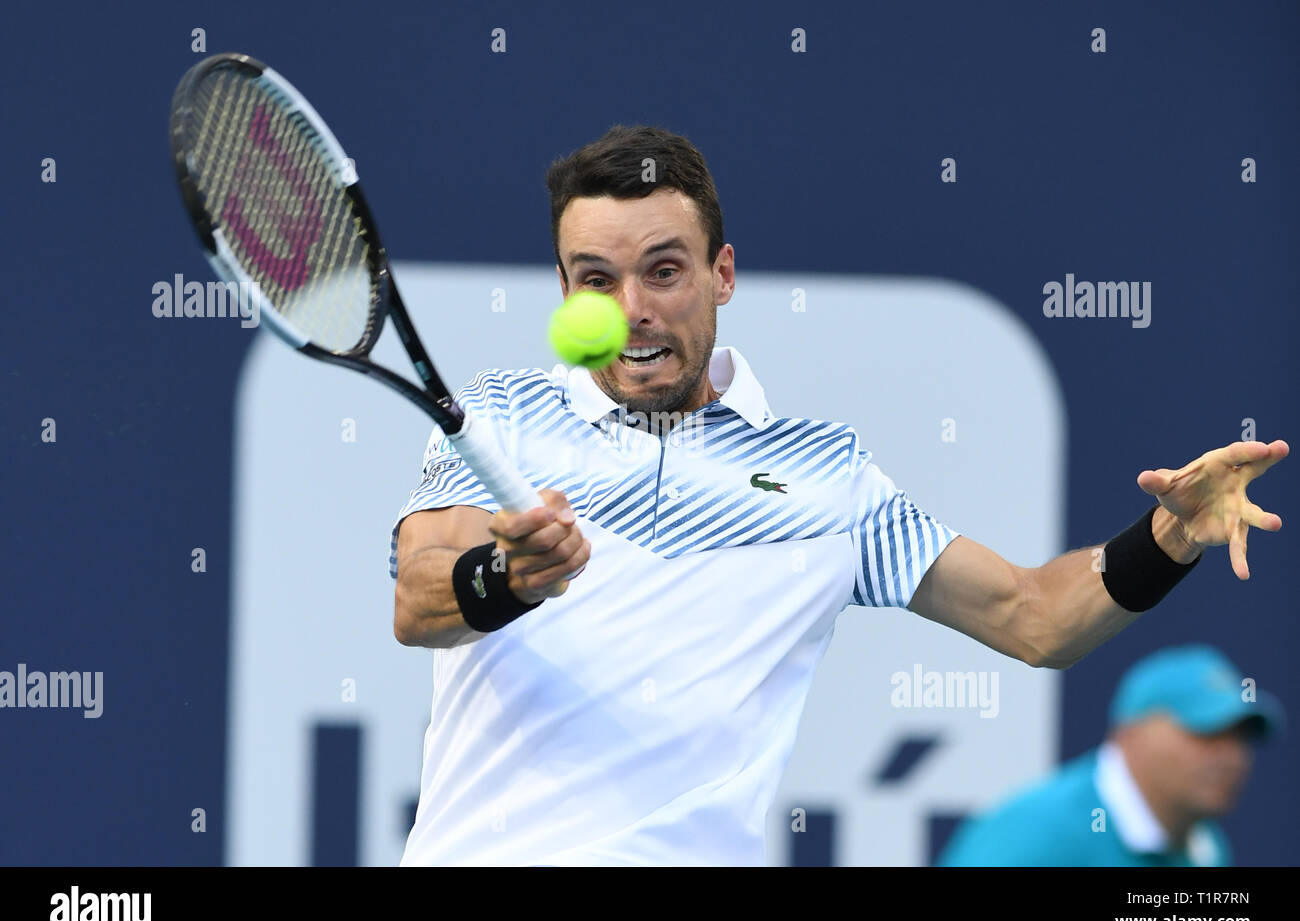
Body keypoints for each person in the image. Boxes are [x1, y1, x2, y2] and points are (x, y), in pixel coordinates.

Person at [388, 124, 1288, 866]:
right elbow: (419, 596)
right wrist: (505, 577)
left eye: (663, 270)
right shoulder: (500, 414)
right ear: (565, 289)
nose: (631, 310)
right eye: (596, 280)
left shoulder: (828, 476)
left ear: (723, 274)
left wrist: (1168, 537)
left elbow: (1037, 617)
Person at [937, 645, 1283, 866]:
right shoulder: (1035, 834)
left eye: (1240, 737)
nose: (1231, 756)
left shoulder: (1206, 848)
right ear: (1129, 735)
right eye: (1204, 731)